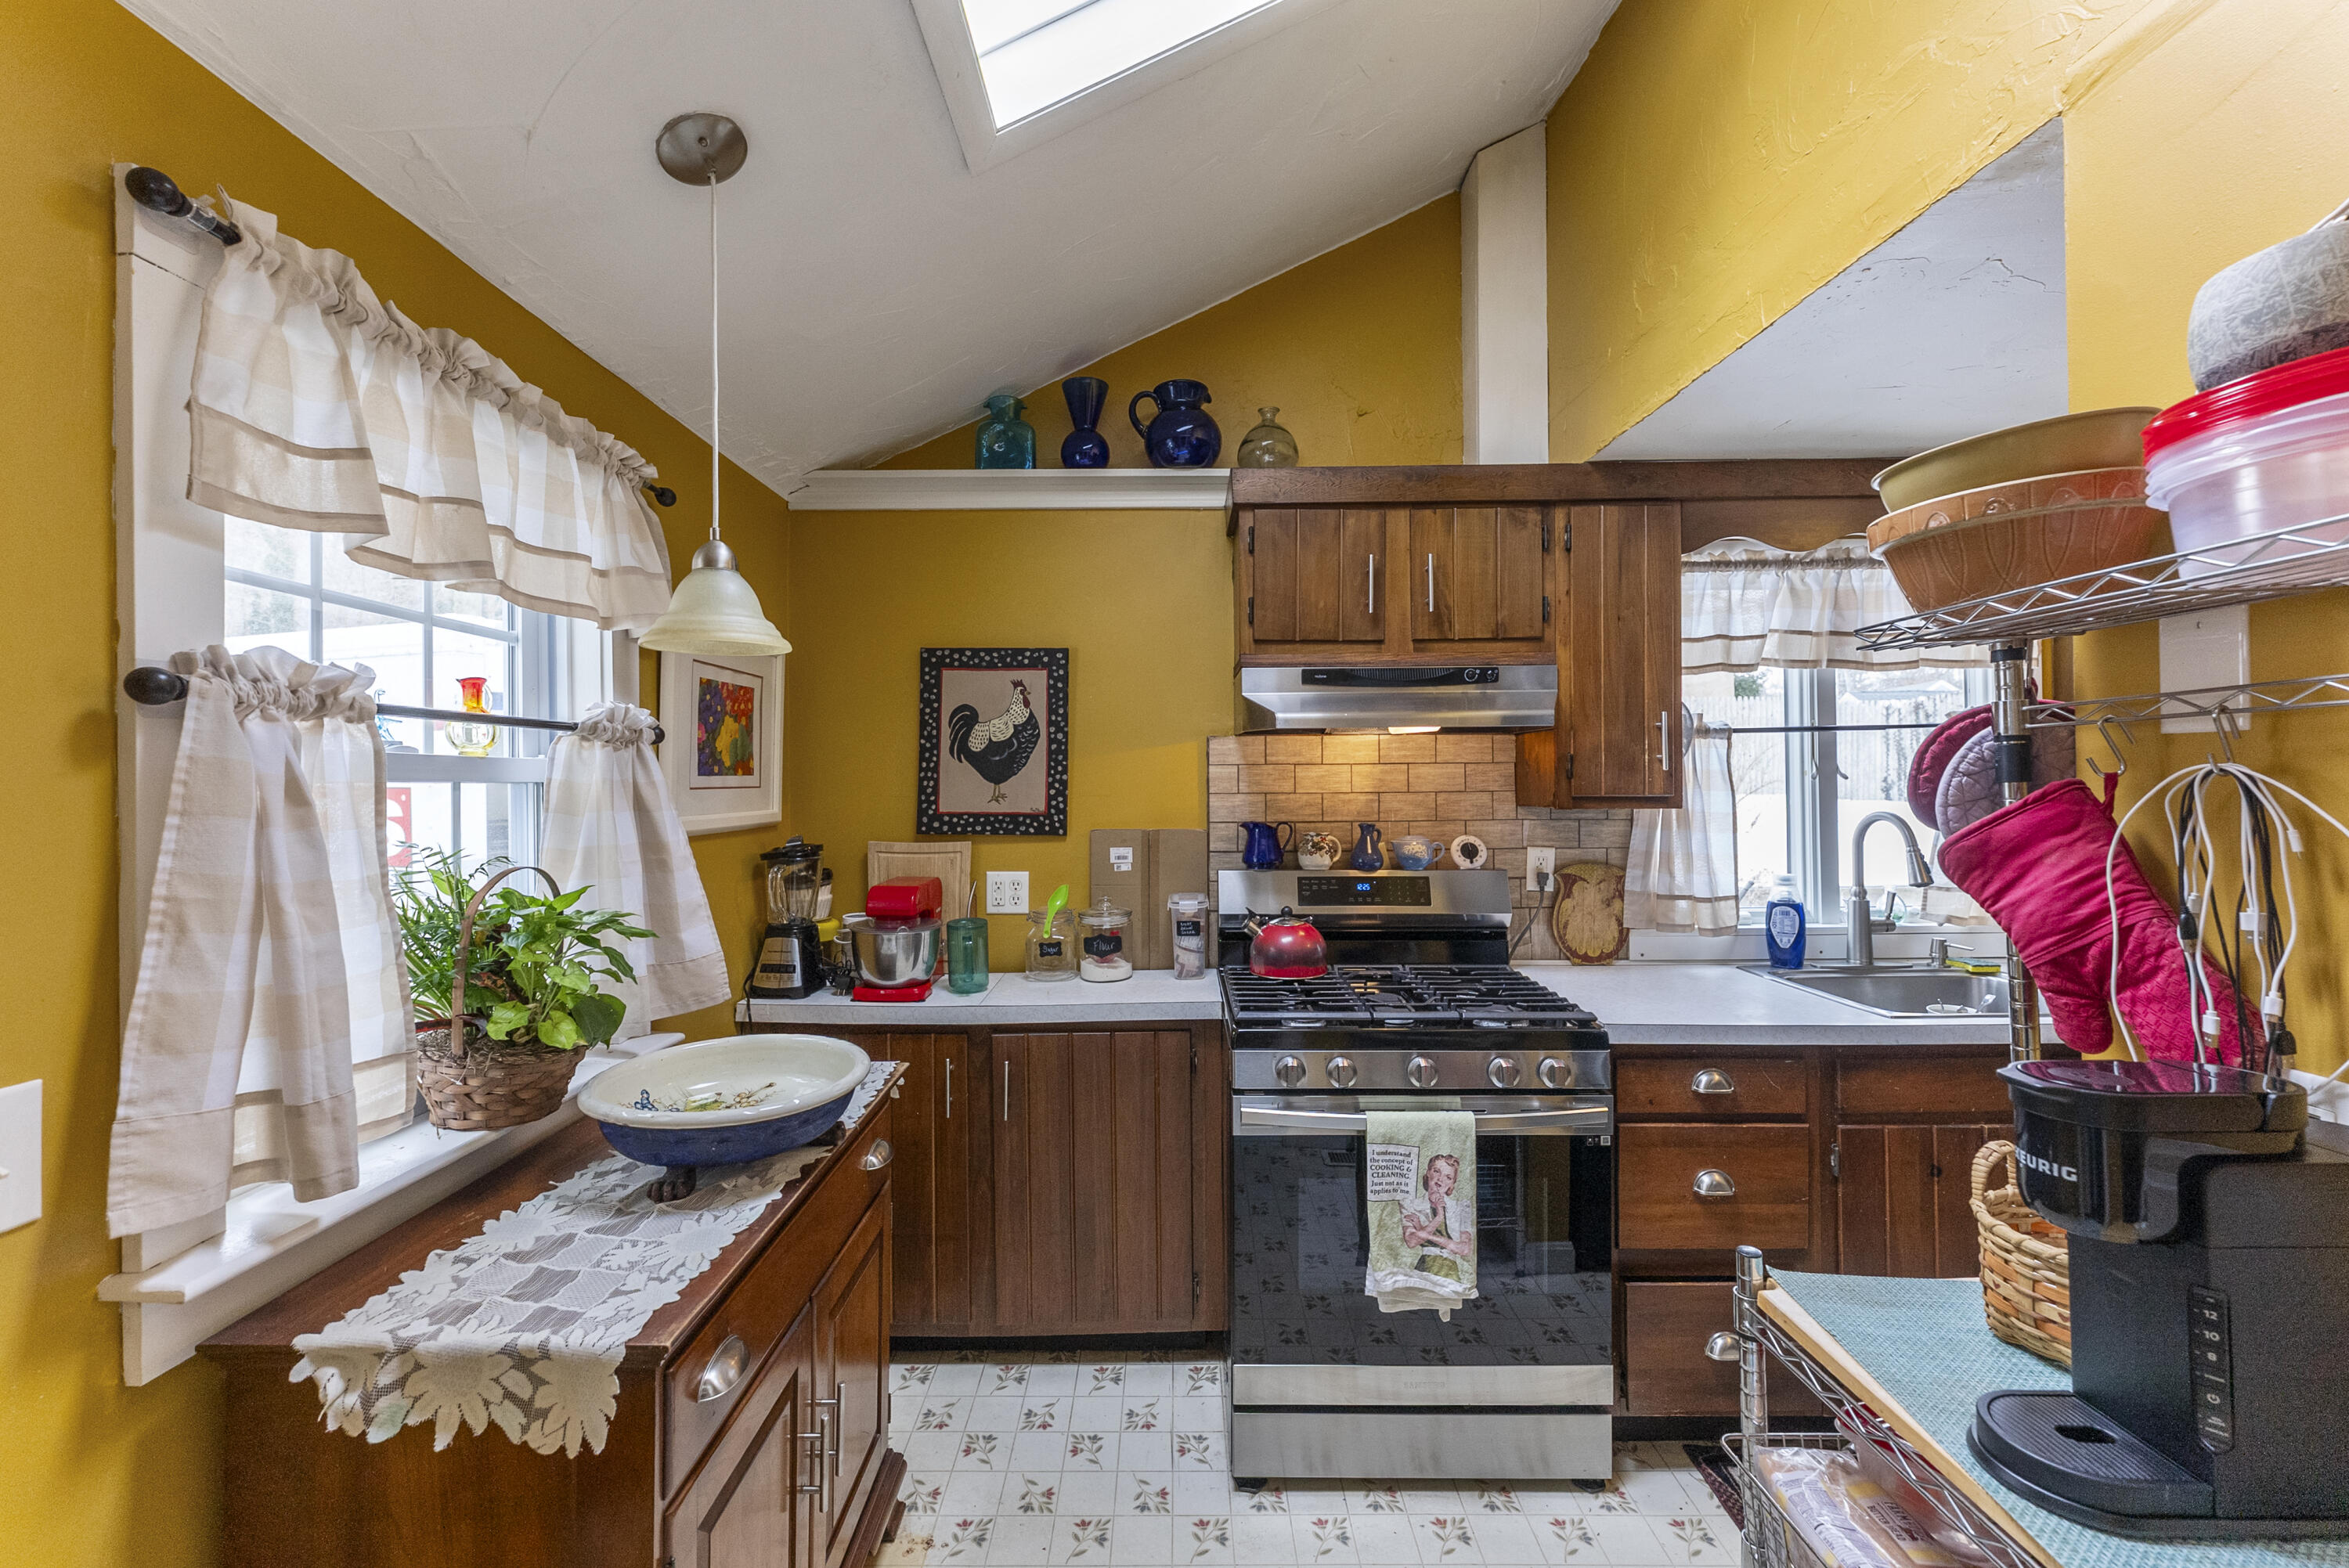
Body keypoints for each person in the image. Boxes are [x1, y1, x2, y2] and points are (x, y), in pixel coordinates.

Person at [1399, 1152, 1472, 1281]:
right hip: (1425, 1268)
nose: (1440, 1179)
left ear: (1452, 1184)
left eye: (1448, 1177)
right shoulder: (1410, 1204)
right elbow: (1411, 1241)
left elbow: (1465, 1249)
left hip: (1450, 1271)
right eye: (1437, 1171)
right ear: (1428, 1173)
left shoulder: (1461, 1208)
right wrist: (1438, 1218)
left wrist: (1422, 1231)